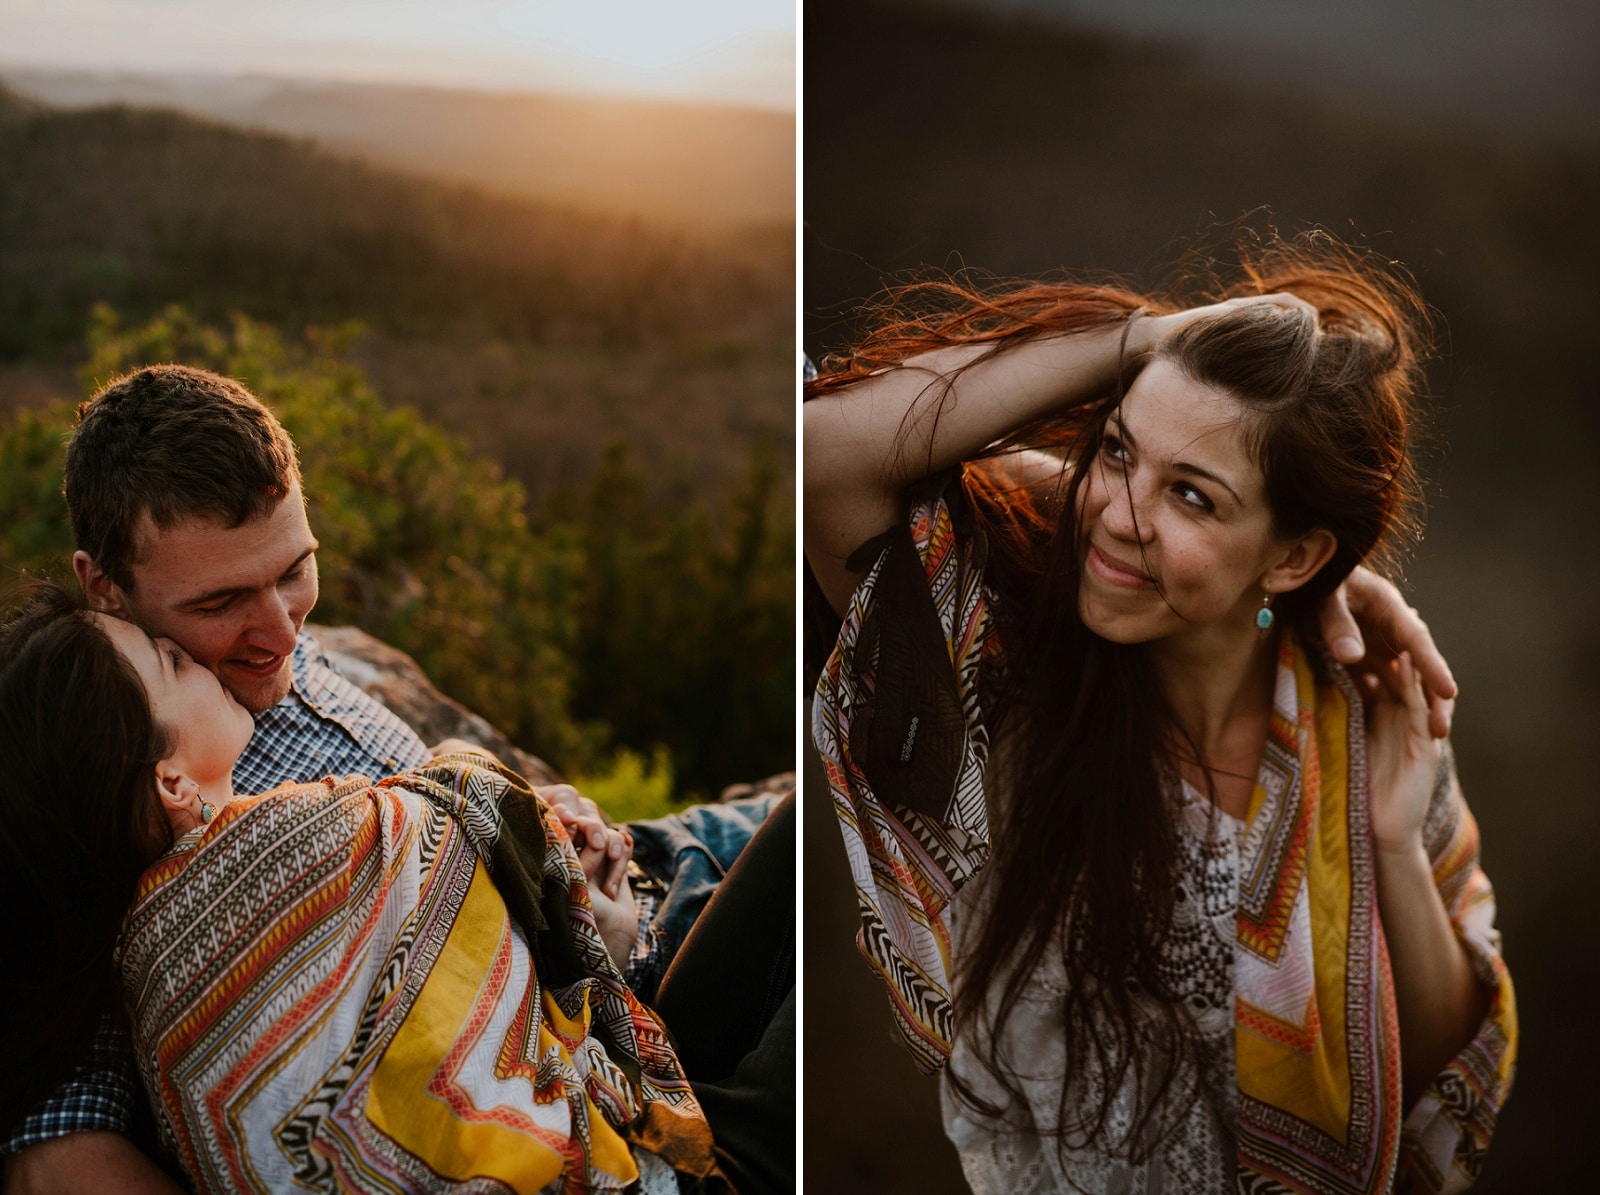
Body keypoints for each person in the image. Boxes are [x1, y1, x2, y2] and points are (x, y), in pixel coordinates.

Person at [804, 235, 1515, 1193]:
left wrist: (1391, 843)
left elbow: (1440, 1074)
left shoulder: (1356, 710)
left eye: (1191, 494)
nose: (1118, 512)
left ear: (1296, 558)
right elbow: (819, 455)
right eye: (1116, 452)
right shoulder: (1009, 672)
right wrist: (1152, 338)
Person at [1, 366, 791, 1192]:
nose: (280, 633)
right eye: (220, 602)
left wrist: (550, 830)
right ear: (105, 591)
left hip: (622, 873)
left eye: (294, 569)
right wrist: (583, 939)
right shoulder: (98, 798)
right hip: (601, 1011)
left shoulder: (229, 677)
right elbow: (60, 1147)